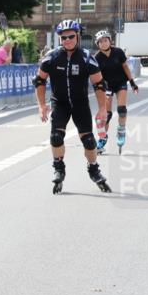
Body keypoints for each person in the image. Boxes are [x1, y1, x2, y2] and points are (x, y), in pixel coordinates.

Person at [33, 19, 111, 194]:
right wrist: (42, 105)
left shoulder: (86, 57)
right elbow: (39, 80)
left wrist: (102, 109)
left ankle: (93, 169)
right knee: (56, 137)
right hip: (59, 103)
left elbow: (99, 84)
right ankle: (59, 168)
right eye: (63, 37)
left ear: (77, 36)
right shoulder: (52, 56)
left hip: (80, 104)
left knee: (90, 141)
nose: (67, 40)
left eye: (70, 36)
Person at [93, 30, 139, 154]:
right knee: (107, 114)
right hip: (107, 86)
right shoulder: (97, 58)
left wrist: (132, 83)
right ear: (98, 44)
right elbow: (96, 75)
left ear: (110, 41)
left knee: (122, 110)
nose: (103, 43)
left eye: (105, 40)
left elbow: (125, 67)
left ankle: (121, 132)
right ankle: (102, 139)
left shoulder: (118, 52)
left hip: (120, 83)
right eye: (100, 42)